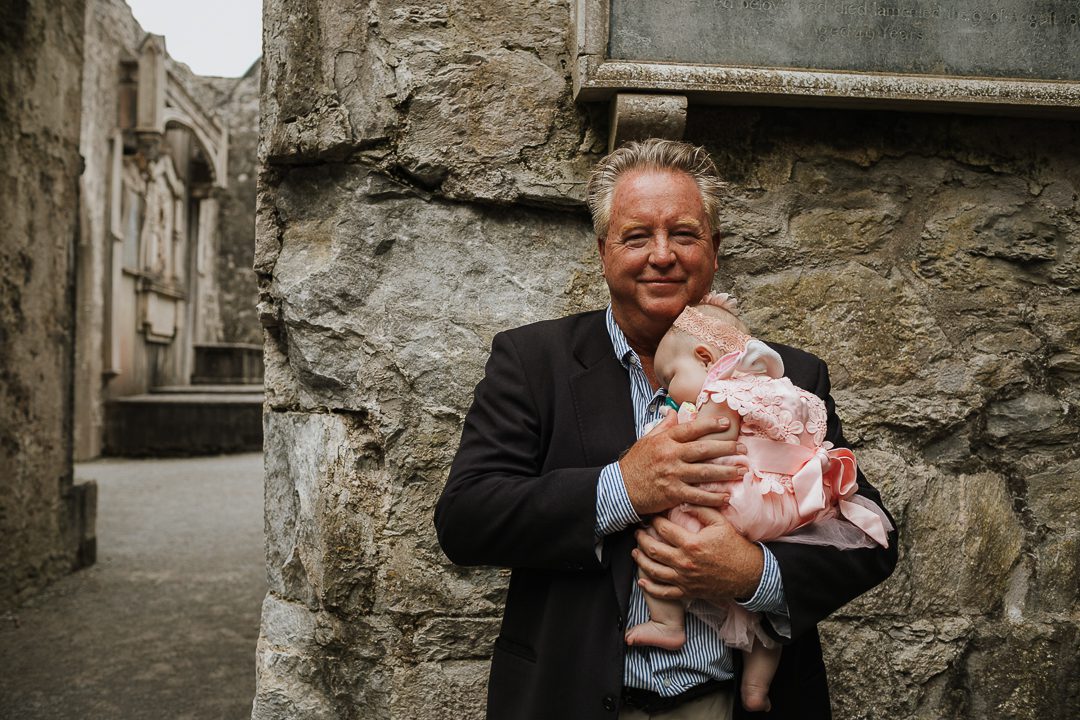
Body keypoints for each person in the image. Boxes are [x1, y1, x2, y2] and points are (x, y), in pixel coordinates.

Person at [434, 138, 898, 720]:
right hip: (570, 701)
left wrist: (754, 573)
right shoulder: (532, 362)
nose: (662, 255)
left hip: (732, 707)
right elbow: (467, 518)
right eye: (636, 236)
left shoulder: (786, 376)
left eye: (683, 233)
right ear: (603, 252)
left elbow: (868, 539)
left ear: (715, 250)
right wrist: (624, 488)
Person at [625, 293, 892, 713]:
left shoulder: (720, 393)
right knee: (765, 621)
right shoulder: (775, 387)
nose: (667, 390)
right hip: (787, 505)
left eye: (670, 377)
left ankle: (667, 622)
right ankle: (756, 687)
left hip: (735, 498)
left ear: (704, 357)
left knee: (666, 534)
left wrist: (667, 432)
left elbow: (705, 454)